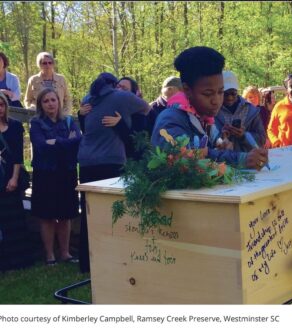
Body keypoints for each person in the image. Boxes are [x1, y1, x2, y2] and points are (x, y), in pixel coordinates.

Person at [78, 72, 150, 273]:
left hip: (85, 161)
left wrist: (121, 123)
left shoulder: (87, 99)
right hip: (110, 161)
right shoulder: (121, 98)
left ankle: (86, 262)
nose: (119, 88)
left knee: (88, 211)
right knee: (114, 211)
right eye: (117, 85)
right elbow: (146, 107)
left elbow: (86, 126)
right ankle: (112, 258)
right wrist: (125, 116)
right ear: (112, 85)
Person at [151, 46, 268, 170]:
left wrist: (222, 147)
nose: (216, 101)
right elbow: (188, 159)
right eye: (207, 94)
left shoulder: (206, 120)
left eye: (220, 92)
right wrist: (240, 159)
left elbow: (209, 154)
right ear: (186, 90)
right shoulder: (170, 121)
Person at [29, 88, 81, 265]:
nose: (50, 103)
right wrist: (65, 142)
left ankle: (65, 253)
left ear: (59, 102)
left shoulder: (68, 121)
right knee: (47, 215)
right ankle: (50, 254)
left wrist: (55, 142)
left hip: (66, 172)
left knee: (66, 214)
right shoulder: (36, 123)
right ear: (40, 105)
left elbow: (78, 141)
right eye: (46, 101)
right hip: (45, 173)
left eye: (53, 100)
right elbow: (40, 146)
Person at [0, 92, 35, 271]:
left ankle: (19, 259)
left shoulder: (14, 126)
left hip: (9, 178)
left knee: (14, 218)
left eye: (1, 105)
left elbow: (18, 157)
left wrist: (14, 178)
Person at [214, 71, 266, 152]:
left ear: (237, 92)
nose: (230, 97)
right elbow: (208, 138)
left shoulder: (251, 110)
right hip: (222, 161)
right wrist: (222, 137)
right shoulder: (213, 110)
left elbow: (262, 139)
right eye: (226, 94)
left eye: (233, 93)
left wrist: (243, 136)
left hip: (248, 159)